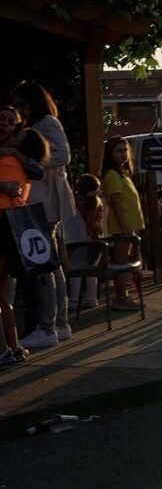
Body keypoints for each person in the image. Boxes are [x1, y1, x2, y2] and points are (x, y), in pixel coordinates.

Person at [14, 81, 76, 349]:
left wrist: (34, 161)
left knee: (44, 264)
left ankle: (48, 325)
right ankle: (59, 324)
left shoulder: (47, 123)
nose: (19, 110)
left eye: (22, 104)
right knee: (52, 264)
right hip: (43, 200)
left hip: (47, 200)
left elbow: (63, 154)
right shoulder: (37, 126)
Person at [0, 127, 49, 365]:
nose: (13, 133)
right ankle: (13, 345)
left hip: (1, 227)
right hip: (11, 233)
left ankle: (4, 349)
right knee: (3, 294)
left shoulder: (9, 160)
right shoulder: (26, 168)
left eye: (19, 135)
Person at [100, 138, 145, 311]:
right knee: (120, 262)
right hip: (121, 227)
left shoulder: (122, 173)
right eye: (118, 150)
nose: (123, 154)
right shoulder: (112, 174)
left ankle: (123, 294)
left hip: (128, 225)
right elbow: (117, 204)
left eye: (125, 150)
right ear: (110, 154)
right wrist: (126, 228)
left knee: (125, 261)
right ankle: (121, 297)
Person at [66, 173, 106, 309]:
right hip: (95, 241)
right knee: (91, 270)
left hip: (77, 241)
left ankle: (74, 299)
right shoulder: (99, 202)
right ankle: (91, 298)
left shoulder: (75, 202)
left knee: (75, 270)